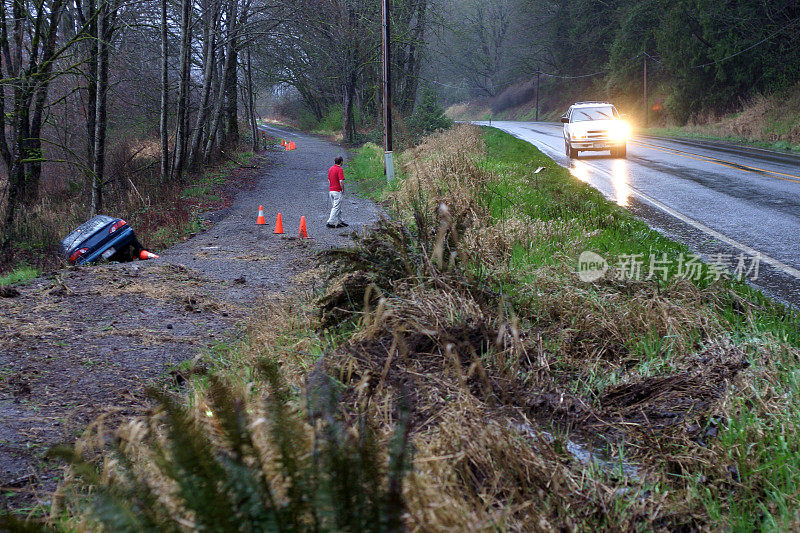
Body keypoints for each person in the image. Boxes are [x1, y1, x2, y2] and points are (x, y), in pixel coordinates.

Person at [326, 156, 348, 228]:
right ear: (341, 162)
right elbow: (341, 181)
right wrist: (343, 189)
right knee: (336, 207)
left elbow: (329, 179)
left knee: (337, 207)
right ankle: (330, 222)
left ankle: (340, 221)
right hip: (337, 191)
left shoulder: (331, 169)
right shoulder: (339, 170)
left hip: (331, 191)